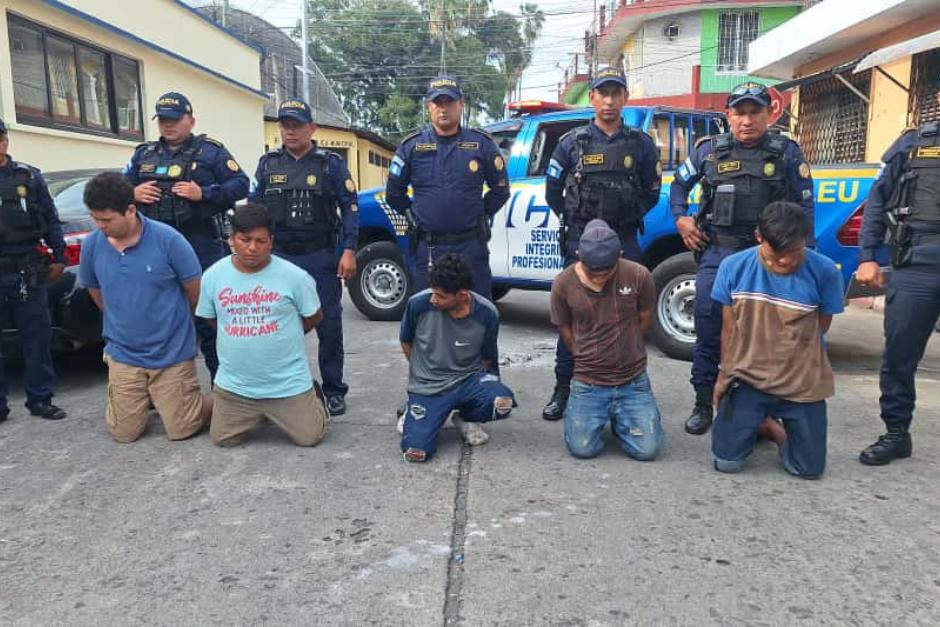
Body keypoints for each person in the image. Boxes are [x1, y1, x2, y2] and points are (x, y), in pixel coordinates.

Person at [671, 82, 815, 436]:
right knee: (707, 328)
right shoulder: (708, 151)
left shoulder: (786, 153)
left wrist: (798, 259)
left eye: (755, 112)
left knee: (768, 336)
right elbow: (678, 186)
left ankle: (764, 408)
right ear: (728, 116)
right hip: (718, 252)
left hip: (766, 259)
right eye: (740, 113)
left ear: (769, 114)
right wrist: (682, 217)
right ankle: (704, 402)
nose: (747, 120)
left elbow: (805, 208)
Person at [541, 66, 662, 422]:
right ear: (592, 97)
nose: (609, 101)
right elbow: (553, 190)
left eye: (616, 93)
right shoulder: (571, 142)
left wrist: (621, 222)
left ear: (625, 98)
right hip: (580, 238)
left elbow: (651, 192)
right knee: (574, 315)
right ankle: (564, 387)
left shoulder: (640, 144)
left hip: (624, 238)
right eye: (602, 93)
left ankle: (625, 387)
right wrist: (583, 223)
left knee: (627, 314)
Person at [711, 201, 844, 478]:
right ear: (759, 237)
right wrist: (724, 376)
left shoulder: (826, 271)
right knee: (726, 462)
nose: (785, 261)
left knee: (809, 470)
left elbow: (821, 327)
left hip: (801, 383)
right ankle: (763, 421)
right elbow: (729, 329)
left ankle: (776, 430)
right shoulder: (732, 267)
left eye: (794, 252)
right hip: (749, 379)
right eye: (777, 253)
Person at [123, 92, 249, 380]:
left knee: (209, 318)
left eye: (175, 119)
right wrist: (132, 193)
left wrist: (203, 193)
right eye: (163, 120)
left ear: (190, 120)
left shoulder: (211, 151)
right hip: (154, 247)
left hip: (200, 243)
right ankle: (164, 388)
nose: (169, 126)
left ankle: (226, 384)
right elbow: (117, 190)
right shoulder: (144, 155)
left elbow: (241, 185)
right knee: (160, 319)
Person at [79, 172, 211, 443]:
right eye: (95, 219)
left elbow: (195, 292)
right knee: (124, 434)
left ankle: (230, 400)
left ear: (130, 210)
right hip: (123, 351)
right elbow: (95, 290)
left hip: (170, 352)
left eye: (106, 220)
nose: (100, 226)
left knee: (182, 430)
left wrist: (171, 325)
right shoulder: (92, 244)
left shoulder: (168, 240)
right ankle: (138, 396)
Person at [249, 99, 358, 416]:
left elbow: (349, 208)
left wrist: (349, 249)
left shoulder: (331, 165)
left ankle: (334, 389)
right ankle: (279, 387)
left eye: (297, 124)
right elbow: (253, 211)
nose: (290, 130)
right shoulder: (268, 165)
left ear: (312, 128)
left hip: (320, 257)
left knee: (329, 324)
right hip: (278, 259)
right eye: (285, 124)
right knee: (276, 325)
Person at [855, 81, 940, 466]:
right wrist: (868, 255)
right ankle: (896, 433)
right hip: (916, 263)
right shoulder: (912, 144)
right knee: (900, 355)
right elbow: (877, 201)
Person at [196, 204, 328, 447]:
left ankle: (314, 397)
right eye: (244, 239)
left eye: (260, 240)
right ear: (231, 240)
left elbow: (314, 316)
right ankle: (254, 412)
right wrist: (242, 334)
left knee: (310, 438)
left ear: (272, 242)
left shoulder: (295, 277)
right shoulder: (213, 276)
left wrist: (282, 336)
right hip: (236, 387)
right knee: (222, 439)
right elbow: (212, 318)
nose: (252, 248)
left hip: (286, 384)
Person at [385, 75, 510, 299]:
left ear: (461, 104)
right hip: (430, 248)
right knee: (428, 318)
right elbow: (394, 194)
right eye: (437, 102)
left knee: (478, 313)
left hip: (471, 246)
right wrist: (413, 215)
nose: (443, 109)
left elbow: (500, 189)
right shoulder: (411, 147)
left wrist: (479, 213)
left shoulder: (481, 144)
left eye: (449, 102)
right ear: (428, 106)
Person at [549, 219, 663, 460]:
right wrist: (581, 354)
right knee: (582, 448)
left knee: (647, 451)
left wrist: (629, 346)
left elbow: (645, 317)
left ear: (620, 255)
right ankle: (603, 415)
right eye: (593, 272)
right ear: (578, 255)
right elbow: (564, 326)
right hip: (588, 381)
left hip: (632, 380)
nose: (600, 278)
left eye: (607, 271)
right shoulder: (563, 282)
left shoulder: (639, 275)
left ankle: (622, 418)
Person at [399, 253, 514, 463]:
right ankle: (415, 410)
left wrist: (481, 383)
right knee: (417, 452)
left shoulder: (487, 314)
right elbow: (406, 342)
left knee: (503, 403)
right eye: (433, 292)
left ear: (461, 295)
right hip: (429, 385)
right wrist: (422, 370)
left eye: (441, 296)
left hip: (467, 380)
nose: (433, 299)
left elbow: (487, 358)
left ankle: (465, 418)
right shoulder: (418, 305)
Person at [0, 118, 68, 422]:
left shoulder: (28, 177)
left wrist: (59, 257)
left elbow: (52, 220)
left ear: (5, 141)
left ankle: (40, 399)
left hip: (27, 266)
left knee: (37, 337)